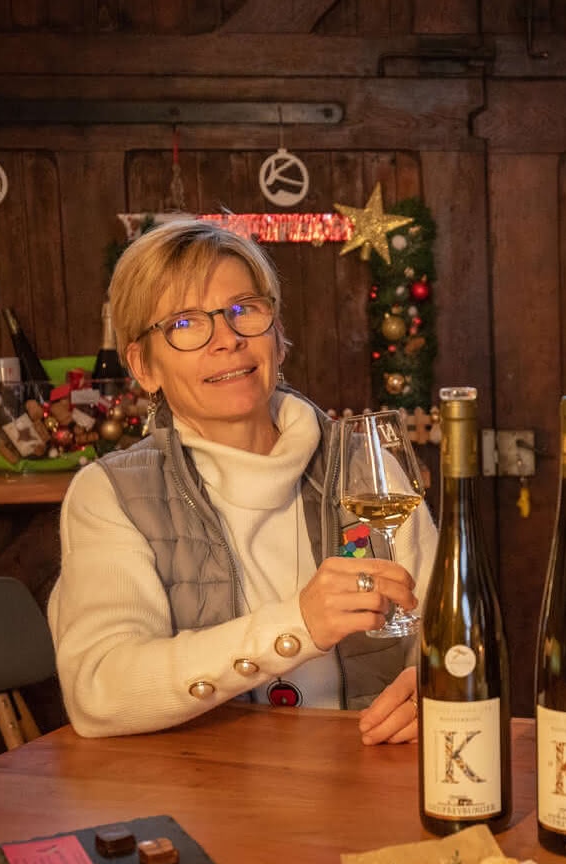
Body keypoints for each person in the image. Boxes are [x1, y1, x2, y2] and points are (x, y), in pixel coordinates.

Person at [49, 219, 436, 741]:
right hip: (205, 791)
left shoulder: (367, 470)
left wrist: (437, 689)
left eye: (243, 311)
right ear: (144, 365)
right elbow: (100, 691)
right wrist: (298, 625)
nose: (227, 340)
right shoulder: (110, 495)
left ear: (276, 336)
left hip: (365, 777)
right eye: (185, 323)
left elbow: (451, 637)